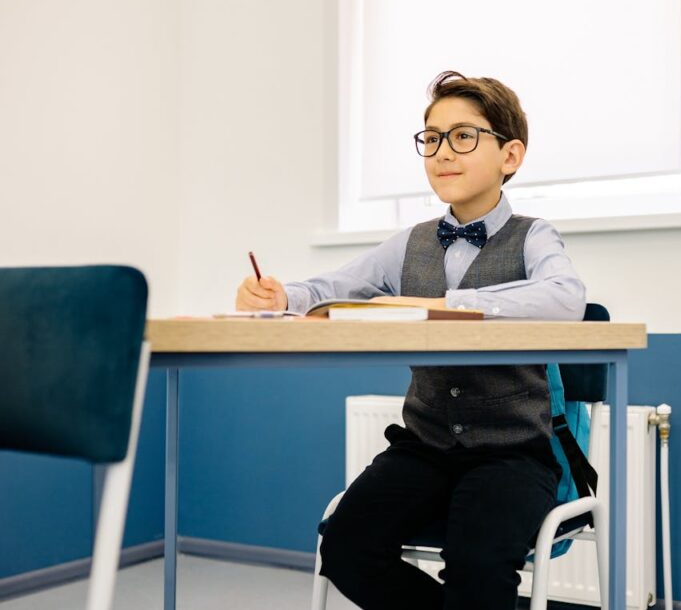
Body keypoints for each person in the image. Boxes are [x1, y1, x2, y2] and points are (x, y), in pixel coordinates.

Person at [235, 70, 586, 609]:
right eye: (432, 138)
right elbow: (332, 288)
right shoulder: (411, 244)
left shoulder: (534, 235)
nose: (443, 151)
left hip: (512, 454)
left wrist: (448, 306)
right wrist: (281, 297)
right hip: (424, 447)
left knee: (479, 566)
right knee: (346, 547)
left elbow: (567, 298)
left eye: (464, 136)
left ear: (510, 156)